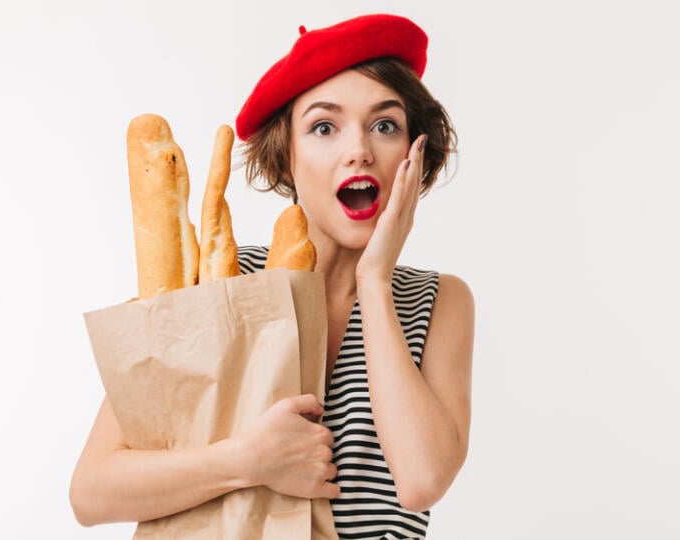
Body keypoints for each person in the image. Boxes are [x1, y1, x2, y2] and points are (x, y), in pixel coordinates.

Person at [70, 13, 474, 539]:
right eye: (324, 127)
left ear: (413, 156)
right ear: (286, 159)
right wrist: (248, 459)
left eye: (385, 125)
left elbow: (421, 480)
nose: (360, 150)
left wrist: (374, 281)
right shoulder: (222, 279)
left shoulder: (439, 300)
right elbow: (92, 491)